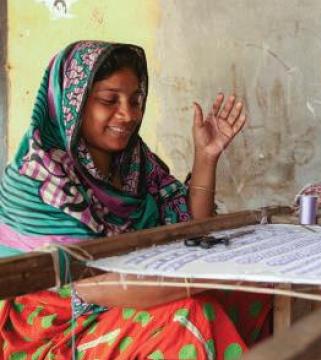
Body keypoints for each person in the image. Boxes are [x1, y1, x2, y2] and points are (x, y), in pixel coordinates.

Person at [0, 41, 271, 359]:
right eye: (108, 100)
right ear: (72, 105)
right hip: (59, 328)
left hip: (130, 293)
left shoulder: (136, 164)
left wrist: (206, 157)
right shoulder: (39, 179)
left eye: (136, 100)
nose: (127, 114)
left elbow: (192, 229)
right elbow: (91, 286)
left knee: (254, 296)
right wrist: (204, 276)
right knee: (189, 315)